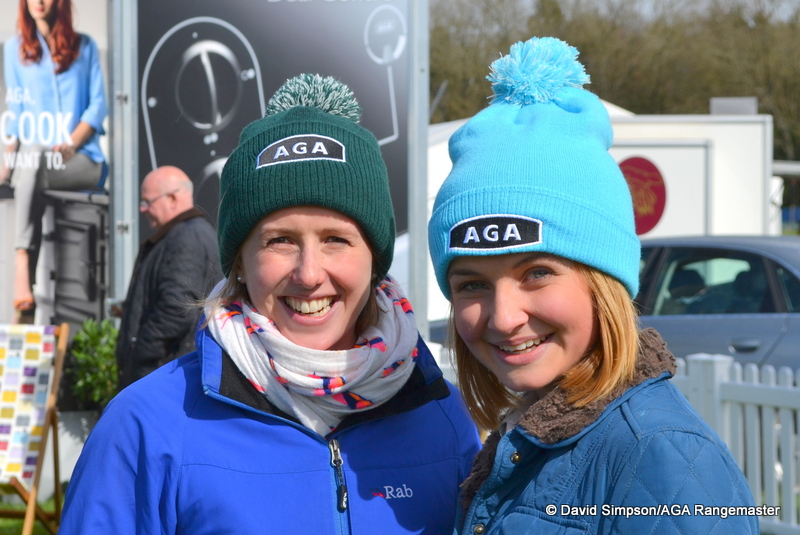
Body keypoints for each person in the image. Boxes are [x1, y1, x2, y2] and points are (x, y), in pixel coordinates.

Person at [60, 74, 481, 533]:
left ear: (375, 259)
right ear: (239, 261)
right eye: (279, 240)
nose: (309, 273)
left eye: (336, 240)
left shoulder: (442, 419)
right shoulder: (145, 427)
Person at [427, 37, 759, 534]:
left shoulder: (662, 455)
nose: (502, 317)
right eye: (471, 285)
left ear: (603, 283)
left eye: (536, 273)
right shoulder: (526, 435)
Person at [1, 0, 107, 318]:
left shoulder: (84, 46)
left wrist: (71, 144)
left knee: (31, 164)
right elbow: (17, 115)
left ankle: (23, 260)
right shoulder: (13, 50)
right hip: (38, 164)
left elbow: (98, 105)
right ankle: (26, 284)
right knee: (31, 160)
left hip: (83, 160)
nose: (39, 2)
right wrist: (6, 164)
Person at [114, 165, 221, 390]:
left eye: (147, 202)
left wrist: (140, 353)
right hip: (166, 371)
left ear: (172, 198)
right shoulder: (184, 234)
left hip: (165, 375)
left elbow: (177, 308)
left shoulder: (187, 237)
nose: (143, 210)